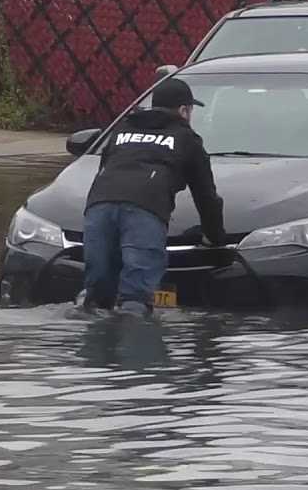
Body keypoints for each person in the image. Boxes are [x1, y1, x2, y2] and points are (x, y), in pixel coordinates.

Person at [78, 77, 226, 318]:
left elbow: (104, 170)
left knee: (95, 299)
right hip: (145, 211)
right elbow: (206, 197)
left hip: (98, 207)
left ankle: (96, 350)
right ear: (184, 110)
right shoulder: (187, 139)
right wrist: (215, 238)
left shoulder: (122, 129)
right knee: (135, 300)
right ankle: (138, 350)